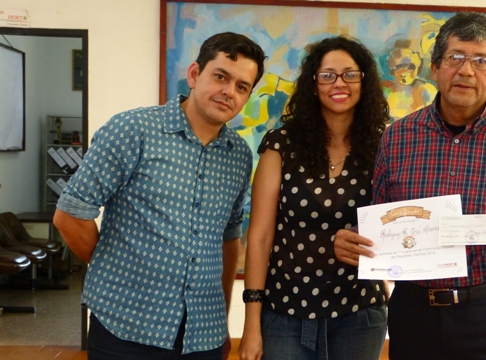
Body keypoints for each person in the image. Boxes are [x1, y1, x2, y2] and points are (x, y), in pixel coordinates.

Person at [334, 12, 486, 360]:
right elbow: (378, 219)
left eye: (480, 60)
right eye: (455, 58)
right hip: (414, 312)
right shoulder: (397, 137)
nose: (466, 71)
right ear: (436, 68)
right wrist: (355, 239)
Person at [53, 32, 267, 360]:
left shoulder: (238, 154)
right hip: (126, 325)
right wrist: (115, 273)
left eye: (242, 87)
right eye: (220, 76)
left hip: (202, 332)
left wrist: (221, 318)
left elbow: (228, 238)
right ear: (195, 74)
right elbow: (70, 214)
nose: (228, 92)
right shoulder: (133, 130)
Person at [238, 35, 390, 360]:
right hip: (284, 313)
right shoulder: (281, 144)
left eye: (350, 74)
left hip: (359, 312)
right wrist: (252, 322)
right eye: (327, 75)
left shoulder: (382, 146)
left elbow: (394, 226)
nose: (340, 83)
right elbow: (261, 236)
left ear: (364, 80)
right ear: (313, 83)